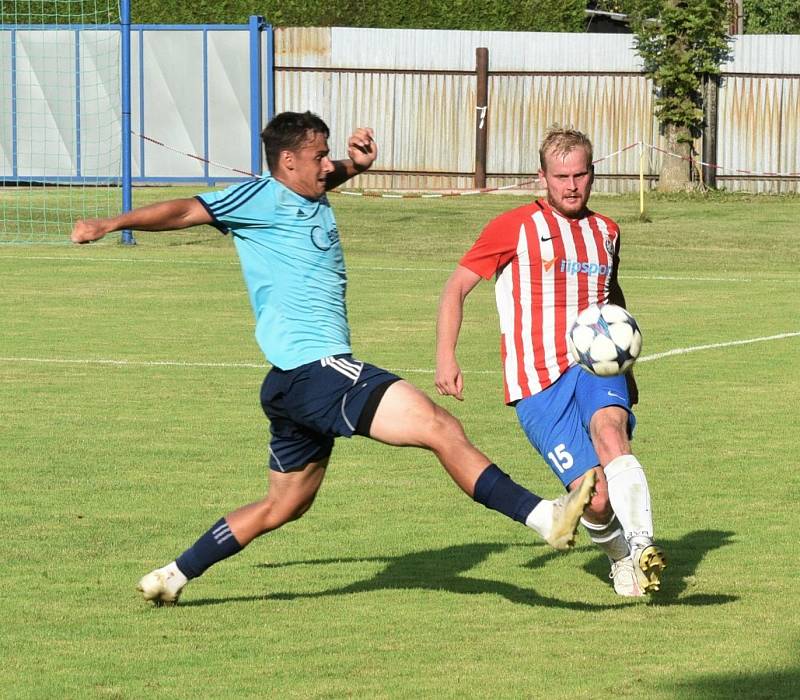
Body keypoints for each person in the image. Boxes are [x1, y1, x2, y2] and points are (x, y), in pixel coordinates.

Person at [71, 111, 596, 606]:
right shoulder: (256, 197)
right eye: (319, 157)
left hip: (288, 384)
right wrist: (111, 224)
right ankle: (543, 517)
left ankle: (173, 574)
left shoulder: (311, 188)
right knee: (440, 426)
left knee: (284, 506)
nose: (329, 165)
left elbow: (331, 175)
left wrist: (357, 166)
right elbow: (184, 209)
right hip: (318, 369)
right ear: (287, 163)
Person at [435, 127, 666, 597]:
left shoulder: (607, 232)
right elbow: (456, 286)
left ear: (593, 173)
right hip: (536, 382)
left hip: (594, 368)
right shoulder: (512, 227)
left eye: (581, 174)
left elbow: (612, 299)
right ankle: (620, 555)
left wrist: (628, 366)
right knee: (595, 501)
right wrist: (446, 355)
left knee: (610, 432)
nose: (572, 185)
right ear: (542, 176)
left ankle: (643, 543)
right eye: (561, 176)